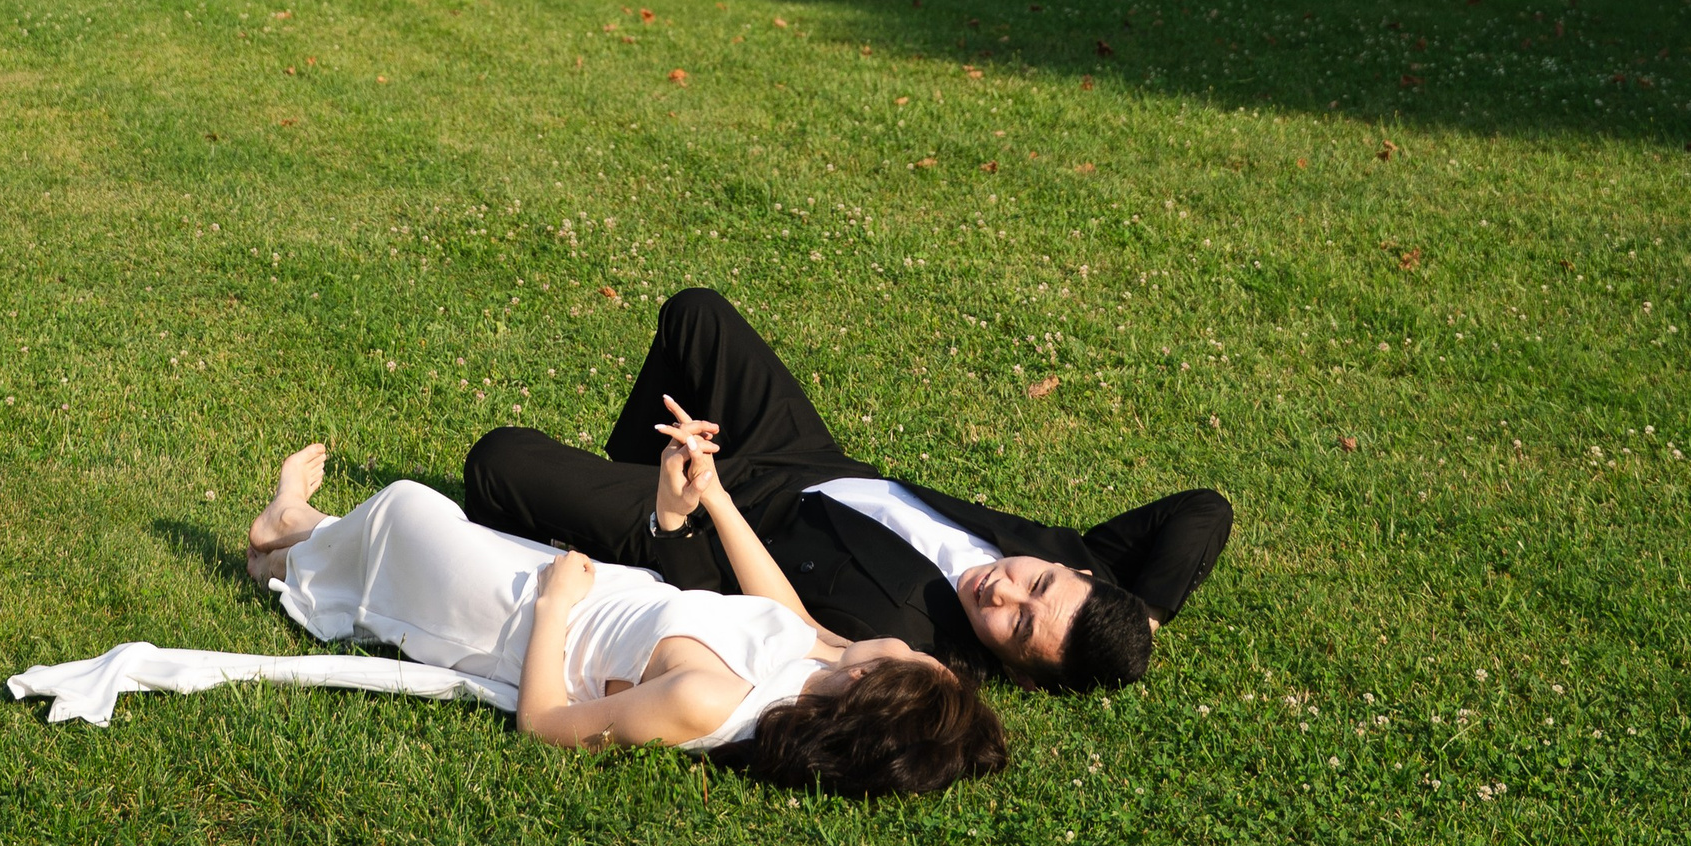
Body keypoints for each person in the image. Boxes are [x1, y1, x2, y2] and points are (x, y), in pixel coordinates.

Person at [463, 288, 1232, 695]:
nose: (1005, 592)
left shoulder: (908, 642)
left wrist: (679, 515)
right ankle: (634, 467)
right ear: (1081, 575)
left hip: (715, 519)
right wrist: (1152, 613)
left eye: (1020, 628)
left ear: (1022, 669)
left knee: (496, 460)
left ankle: (618, 506)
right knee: (696, 314)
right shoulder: (1073, 562)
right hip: (804, 455)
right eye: (1037, 584)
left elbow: (752, 615)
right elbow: (1202, 511)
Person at [243, 416, 1008, 800]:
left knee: (408, 509)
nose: (904, 646)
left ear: (866, 699)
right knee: (409, 521)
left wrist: (556, 605)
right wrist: (708, 492)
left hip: (525, 616)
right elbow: (785, 608)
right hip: (581, 579)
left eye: (906, 661)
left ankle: (287, 536)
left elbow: (544, 725)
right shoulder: (822, 660)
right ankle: (287, 542)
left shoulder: (712, 701)